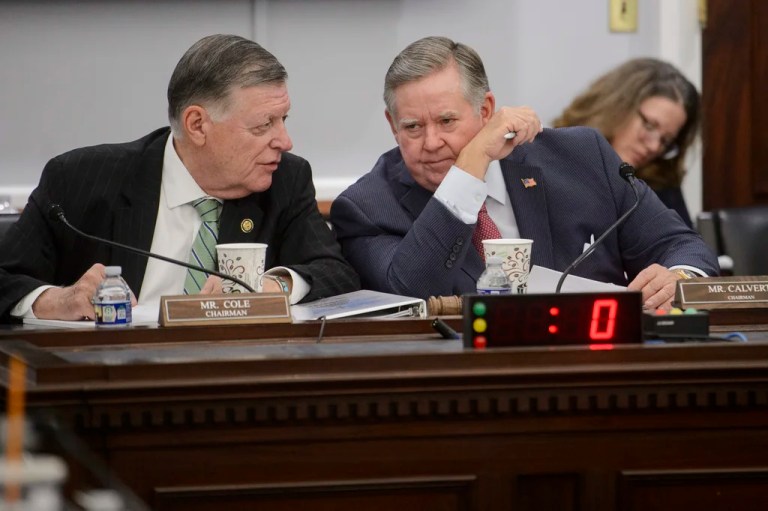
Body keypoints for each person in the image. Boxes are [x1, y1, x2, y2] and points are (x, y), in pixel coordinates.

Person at [330, 36, 718, 309]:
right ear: (391, 124)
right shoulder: (367, 207)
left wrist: (678, 278)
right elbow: (412, 289)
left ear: (485, 111)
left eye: (447, 121)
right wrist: (470, 166)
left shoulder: (581, 157)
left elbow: (684, 247)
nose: (430, 142)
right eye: (412, 127)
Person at [0, 34, 359, 322]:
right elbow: (6, 278)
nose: (284, 141)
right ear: (198, 125)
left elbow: (336, 273)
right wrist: (55, 300)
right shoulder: (80, 180)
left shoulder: (286, 179)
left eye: (284, 120)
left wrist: (273, 286)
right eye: (264, 124)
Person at [553, 58, 700, 227]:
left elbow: (687, 247)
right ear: (617, 106)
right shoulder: (559, 160)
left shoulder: (659, 183)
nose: (654, 147)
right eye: (650, 126)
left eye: (666, 141)